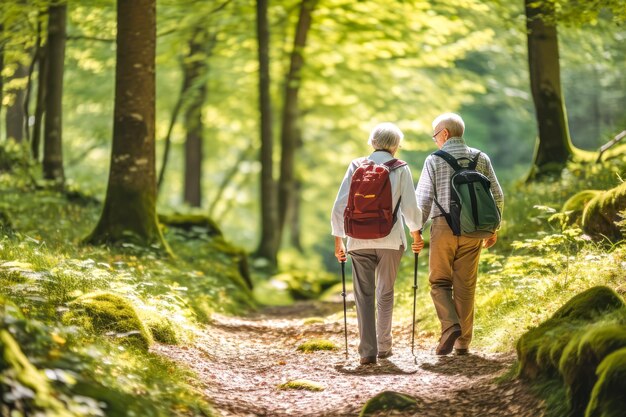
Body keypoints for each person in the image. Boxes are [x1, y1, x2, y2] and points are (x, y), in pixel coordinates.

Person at [331, 122, 424, 365]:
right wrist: (416, 235)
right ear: (396, 147)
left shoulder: (356, 166)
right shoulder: (400, 168)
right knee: (385, 292)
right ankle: (384, 346)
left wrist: (339, 241)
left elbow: (340, 206)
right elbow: (410, 208)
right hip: (391, 240)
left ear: (372, 143)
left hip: (358, 240)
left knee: (363, 295)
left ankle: (367, 352)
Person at [416, 113, 504, 356]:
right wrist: (493, 228)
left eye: (435, 136)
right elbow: (497, 195)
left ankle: (450, 326)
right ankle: (463, 342)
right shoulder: (481, 157)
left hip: (443, 227)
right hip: (475, 230)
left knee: (439, 282)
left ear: (444, 134)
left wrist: (416, 230)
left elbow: (423, 200)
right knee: (465, 285)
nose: (435, 141)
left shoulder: (434, 160)